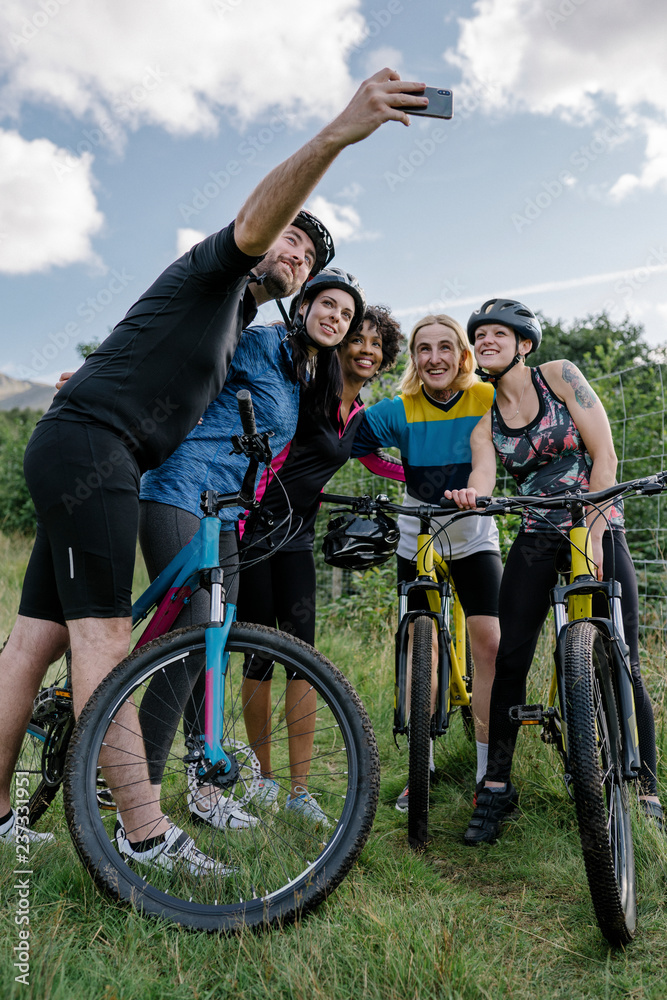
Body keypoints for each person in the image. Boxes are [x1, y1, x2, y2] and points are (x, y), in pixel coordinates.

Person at [0, 68, 430, 866]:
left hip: (96, 444)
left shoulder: (233, 326)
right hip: (97, 449)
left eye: (307, 260)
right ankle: (140, 836)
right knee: (102, 642)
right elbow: (256, 229)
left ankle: (1, 814)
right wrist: (340, 131)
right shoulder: (221, 273)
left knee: (36, 639)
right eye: (292, 244)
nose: (295, 260)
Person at [137, 268, 365, 831]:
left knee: (210, 646)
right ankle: (135, 794)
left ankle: (203, 789)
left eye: (346, 314)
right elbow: (181, 363)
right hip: (179, 489)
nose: (335, 317)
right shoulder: (260, 341)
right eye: (327, 304)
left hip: (226, 515)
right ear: (303, 305)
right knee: (189, 639)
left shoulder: (305, 373)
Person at [446, 297, 663, 845]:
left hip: (598, 521)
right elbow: (487, 476)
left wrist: (590, 529)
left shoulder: (561, 376)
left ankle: (646, 788)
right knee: (511, 653)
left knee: (625, 653)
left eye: (499, 333)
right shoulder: (485, 425)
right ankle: (496, 786)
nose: (487, 342)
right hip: (538, 535)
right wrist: (474, 494)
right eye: (481, 336)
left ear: (524, 344)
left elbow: (605, 456)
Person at [237, 305, 404, 824]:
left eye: (377, 345)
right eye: (359, 339)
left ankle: (299, 790)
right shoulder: (307, 389)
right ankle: (262, 781)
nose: (367, 350)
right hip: (251, 531)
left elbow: (374, 458)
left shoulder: (359, 417)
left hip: (297, 539)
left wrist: (432, 480)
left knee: (302, 658)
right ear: (340, 346)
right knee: (258, 655)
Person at [350, 314, 503, 811]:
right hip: (418, 538)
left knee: (490, 645)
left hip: (474, 535)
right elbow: (357, 442)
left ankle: (486, 770)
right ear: (414, 358)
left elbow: (502, 452)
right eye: (423, 349)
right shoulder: (401, 409)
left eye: (445, 347)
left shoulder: (486, 398)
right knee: (422, 644)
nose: (433, 357)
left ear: (463, 354)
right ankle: (424, 764)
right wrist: (406, 476)